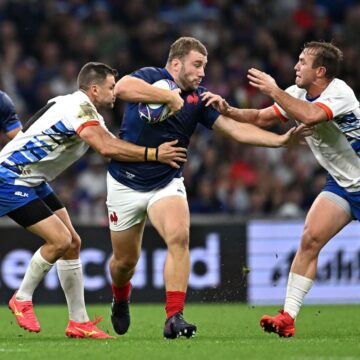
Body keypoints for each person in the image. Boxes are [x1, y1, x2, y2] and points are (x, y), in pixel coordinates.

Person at [107, 36, 309, 339]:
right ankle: (120, 298)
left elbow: (236, 130)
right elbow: (121, 88)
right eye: (197, 65)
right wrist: (168, 98)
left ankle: (173, 316)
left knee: (179, 236)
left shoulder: (200, 99)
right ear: (176, 64)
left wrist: (280, 142)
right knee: (124, 263)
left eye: (205, 66)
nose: (203, 72)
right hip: (125, 182)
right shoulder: (150, 77)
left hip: (166, 181)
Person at [0, 62, 187, 338]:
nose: (115, 93)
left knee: (73, 244)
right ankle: (22, 297)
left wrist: (152, 153)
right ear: (95, 89)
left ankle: (79, 322)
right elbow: (105, 147)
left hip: (32, 179)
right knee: (60, 241)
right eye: (112, 87)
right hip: (9, 178)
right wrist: (154, 154)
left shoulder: (84, 112)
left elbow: (116, 148)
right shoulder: (79, 107)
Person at [203, 41, 357, 338]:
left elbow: (312, 115)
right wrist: (229, 110)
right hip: (342, 186)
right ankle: (288, 316)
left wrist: (275, 90)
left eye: (302, 62)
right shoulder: (297, 94)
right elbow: (263, 118)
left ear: (321, 71)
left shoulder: (340, 92)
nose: (296, 66)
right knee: (310, 239)